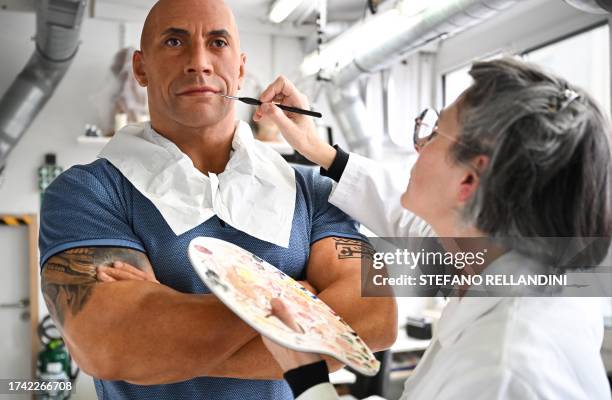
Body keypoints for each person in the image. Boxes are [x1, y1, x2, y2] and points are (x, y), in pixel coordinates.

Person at [38, 0, 397, 399]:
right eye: (175, 41)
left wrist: (166, 347)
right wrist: (303, 298)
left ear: (240, 67)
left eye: (218, 42)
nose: (199, 62)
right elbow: (110, 343)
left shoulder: (313, 190)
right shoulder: (88, 192)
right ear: (141, 68)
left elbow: (374, 319)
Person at [254, 58, 612, 399]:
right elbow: (410, 220)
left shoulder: (503, 367)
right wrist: (321, 151)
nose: (419, 145)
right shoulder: (511, 265)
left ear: (468, 180)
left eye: (435, 132)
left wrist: (306, 375)